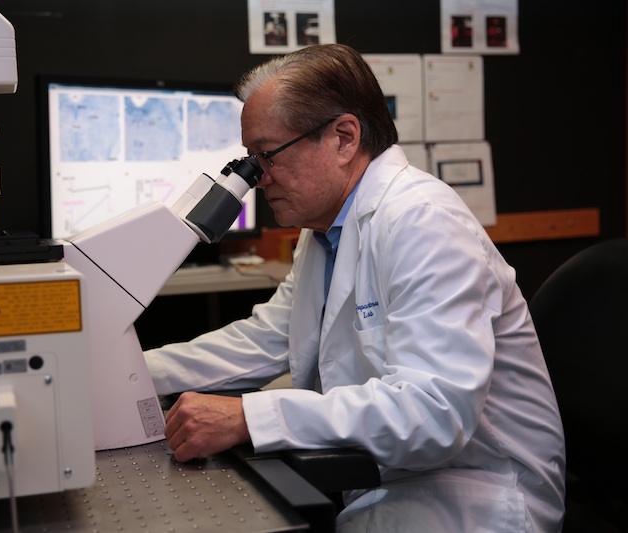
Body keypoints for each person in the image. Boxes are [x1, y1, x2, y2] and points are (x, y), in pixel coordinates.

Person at [144, 43, 565, 532]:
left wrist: (251, 417)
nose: (257, 179)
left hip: (478, 495)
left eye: (267, 156)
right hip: (396, 481)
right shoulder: (325, 230)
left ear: (344, 138)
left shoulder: (423, 222)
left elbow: (434, 413)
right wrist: (127, 375)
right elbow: (265, 339)